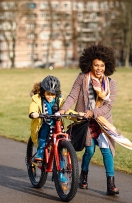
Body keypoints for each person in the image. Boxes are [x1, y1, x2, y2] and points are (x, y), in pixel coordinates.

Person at [58, 43, 119, 195]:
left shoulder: (111, 84)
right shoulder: (82, 78)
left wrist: (93, 112)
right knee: (89, 151)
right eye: (96, 65)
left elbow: (108, 106)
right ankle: (83, 177)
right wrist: (63, 109)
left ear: (107, 66)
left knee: (107, 151)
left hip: (102, 122)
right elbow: (72, 95)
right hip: (85, 122)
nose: (99, 69)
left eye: (102, 65)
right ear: (90, 65)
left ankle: (111, 184)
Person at [28, 75, 67, 183]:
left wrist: (77, 115)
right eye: (48, 94)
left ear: (57, 94)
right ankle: (40, 153)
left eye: (53, 94)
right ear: (43, 91)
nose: (50, 96)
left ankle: (61, 172)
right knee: (44, 133)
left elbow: (66, 109)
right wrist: (33, 113)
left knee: (61, 148)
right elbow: (33, 106)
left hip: (57, 125)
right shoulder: (37, 99)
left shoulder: (60, 100)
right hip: (44, 123)